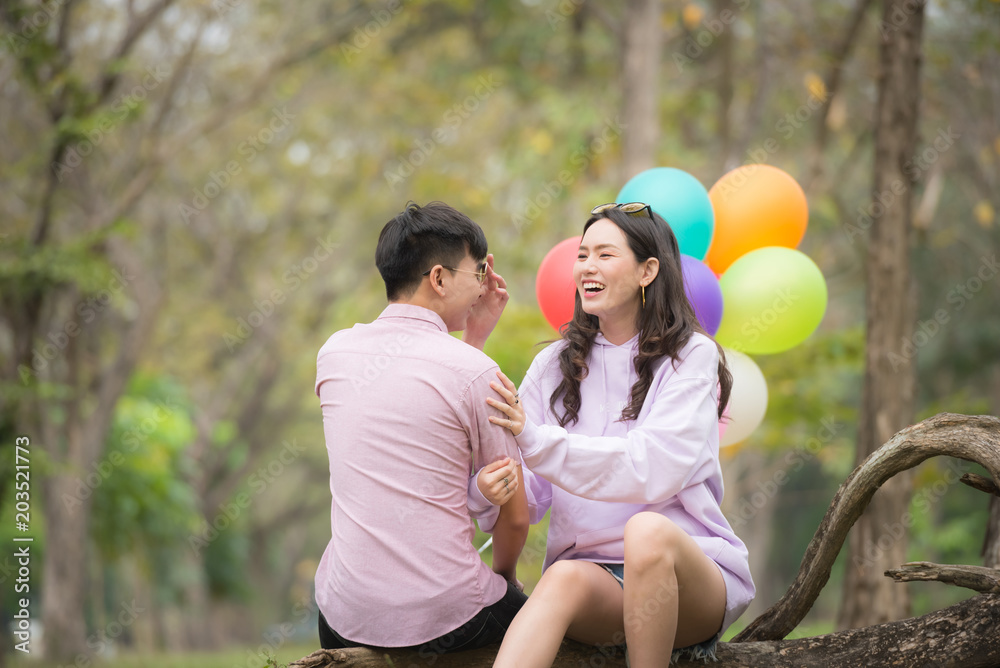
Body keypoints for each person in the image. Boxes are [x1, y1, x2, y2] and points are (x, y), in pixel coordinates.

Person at [469, 202, 755, 667]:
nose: (587, 267)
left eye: (605, 255)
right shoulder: (552, 365)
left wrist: (537, 441)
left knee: (647, 531)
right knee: (559, 579)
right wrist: (485, 489)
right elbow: (529, 494)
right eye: (582, 255)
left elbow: (652, 468)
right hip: (596, 581)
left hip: (689, 582)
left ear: (647, 271)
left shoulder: (691, 357)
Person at [313, 201, 529, 655]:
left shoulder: (334, 354)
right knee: (548, 622)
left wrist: (473, 341)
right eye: (478, 272)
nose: (483, 286)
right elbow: (514, 516)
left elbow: (413, 443)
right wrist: (504, 583)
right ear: (439, 278)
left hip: (343, 616)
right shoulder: (476, 373)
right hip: (448, 617)